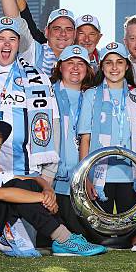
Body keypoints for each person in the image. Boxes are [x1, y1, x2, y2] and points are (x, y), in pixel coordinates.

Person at [0, 118, 107, 257]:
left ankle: (60, 237)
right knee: (14, 189)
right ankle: (63, 238)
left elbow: (34, 179)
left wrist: (48, 190)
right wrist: (41, 198)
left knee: (27, 184)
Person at [0, 16, 59, 181]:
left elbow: (51, 124)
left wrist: (49, 174)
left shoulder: (38, 77)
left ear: (18, 43)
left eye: (12, 39)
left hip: (25, 173)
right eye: (1, 38)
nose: (7, 44)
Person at [78, 42, 136, 214]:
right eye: (108, 62)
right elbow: (85, 139)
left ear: (126, 66)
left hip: (131, 175)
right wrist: (85, 177)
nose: (114, 67)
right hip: (99, 175)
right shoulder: (91, 95)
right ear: (102, 67)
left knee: (130, 231)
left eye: (119, 62)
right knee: (99, 230)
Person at [49, 45, 100, 240]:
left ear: (88, 69)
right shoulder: (46, 93)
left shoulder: (94, 98)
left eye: (81, 64)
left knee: (82, 239)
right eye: (70, 63)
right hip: (51, 181)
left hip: (81, 182)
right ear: (60, 67)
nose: (75, 68)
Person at [0, 0, 76, 75]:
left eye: (68, 29)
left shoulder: (81, 63)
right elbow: (15, 21)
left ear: (75, 34)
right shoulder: (34, 51)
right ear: (47, 32)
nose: (63, 33)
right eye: (57, 28)